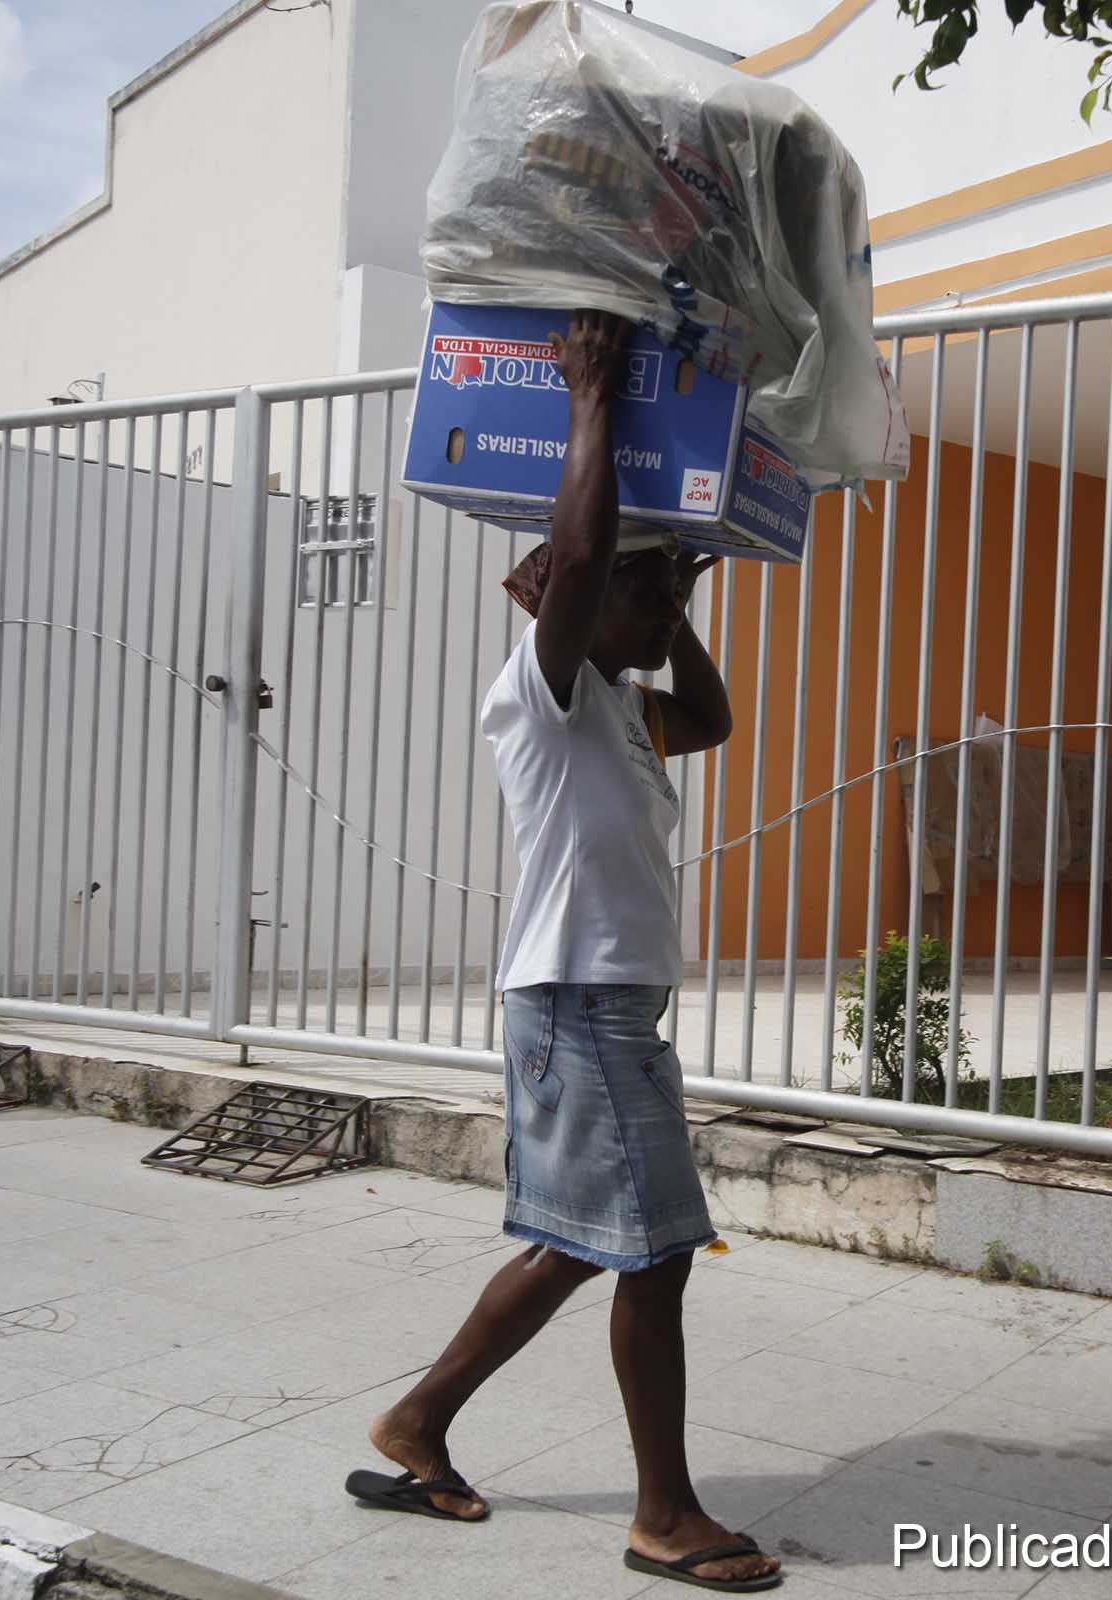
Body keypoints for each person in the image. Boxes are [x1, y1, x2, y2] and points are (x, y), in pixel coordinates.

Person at [346, 309, 783, 1593]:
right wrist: (592, 397)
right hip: (576, 1007)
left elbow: (712, 709)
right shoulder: (536, 692)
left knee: (582, 1242)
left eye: (680, 587)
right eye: (655, 588)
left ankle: (416, 1425)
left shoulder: (628, 709)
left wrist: (673, 592)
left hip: (608, 1010)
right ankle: (665, 1515)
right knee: (649, 1251)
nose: (669, 604)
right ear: (576, 595)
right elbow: (586, 560)